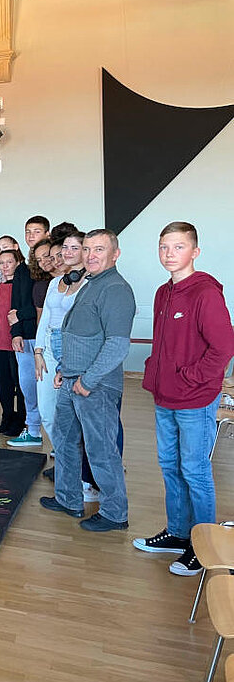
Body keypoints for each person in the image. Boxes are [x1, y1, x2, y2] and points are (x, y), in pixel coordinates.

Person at [135, 222, 234, 575]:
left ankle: (203, 545)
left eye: (178, 247)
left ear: (195, 251)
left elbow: (224, 347)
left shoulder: (205, 293)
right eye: (164, 247)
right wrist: (156, 373)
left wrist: (189, 378)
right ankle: (178, 533)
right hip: (164, 397)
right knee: (170, 467)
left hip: (194, 399)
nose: (169, 254)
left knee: (195, 471)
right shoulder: (164, 292)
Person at [40, 229, 135, 532]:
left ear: (115, 254)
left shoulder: (116, 289)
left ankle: (114, 513)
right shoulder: (91, 283)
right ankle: (68, 499)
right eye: (88, 249)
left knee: (100, 449)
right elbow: (80, 333)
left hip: (95, 386)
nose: (91, 255)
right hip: (71, 378)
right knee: (65, 442)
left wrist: (88, 380)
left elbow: (117, 344)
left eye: (99, 250)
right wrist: (65, 369)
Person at [34, 232, 84, 458]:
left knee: (74, 414)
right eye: (64, 249)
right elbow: (45, 318)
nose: (65, 254)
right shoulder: (55, 283)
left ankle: (81, 469)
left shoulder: (90, 282)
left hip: (72, 348)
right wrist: (38, 349)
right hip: (48, 348)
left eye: (73, 248)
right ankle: (66, 459)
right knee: (47, 412)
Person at [6, 229, 45, 448]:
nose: (31, 235)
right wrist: (16, 332)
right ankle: (32, 429)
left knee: (50, 391)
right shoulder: (23, 270)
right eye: (28, 232)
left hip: (46, 339)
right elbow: (16, 304)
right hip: (26, 337)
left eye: (37, 231)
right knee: (27, 385)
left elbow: (42, 309)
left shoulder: (55, 272)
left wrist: (21, 314)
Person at [0, 247, 26, 437]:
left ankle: (20, 420)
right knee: (2, 384)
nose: (5, 266)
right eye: (2, 263)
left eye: (9, 262)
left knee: (19, 384)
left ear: (17, 263)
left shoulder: (20, 287)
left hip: (15, 343)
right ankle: (7, 417)